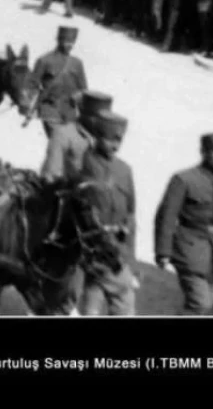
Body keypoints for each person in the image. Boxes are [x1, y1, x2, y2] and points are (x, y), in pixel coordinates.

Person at [154, 133, 213, 315]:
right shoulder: (183, 180)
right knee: (200, 303)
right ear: (203, 152)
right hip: (189, 249)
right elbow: (166, 216)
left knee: (210, 304)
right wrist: (163, 251)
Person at [77, 110, 137, 316]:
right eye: (109, 139)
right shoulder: (85, 162)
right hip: (91, 254)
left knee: (124, 308)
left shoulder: (124, 170)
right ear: (96, 137)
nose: (114, 145)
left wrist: (131, 257)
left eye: (118, 140)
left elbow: (131, 213)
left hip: (117, 252)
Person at [28, 26, 89, 139]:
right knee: (57, 141)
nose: (69, 45)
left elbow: (84, 89)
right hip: (50, 109)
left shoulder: (77, 63)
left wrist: (79, 97)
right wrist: (29, 107)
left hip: (70, 111)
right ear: (59, 40)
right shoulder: (44, 60)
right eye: (66, 41)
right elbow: (32, 85)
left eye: (72, 42)